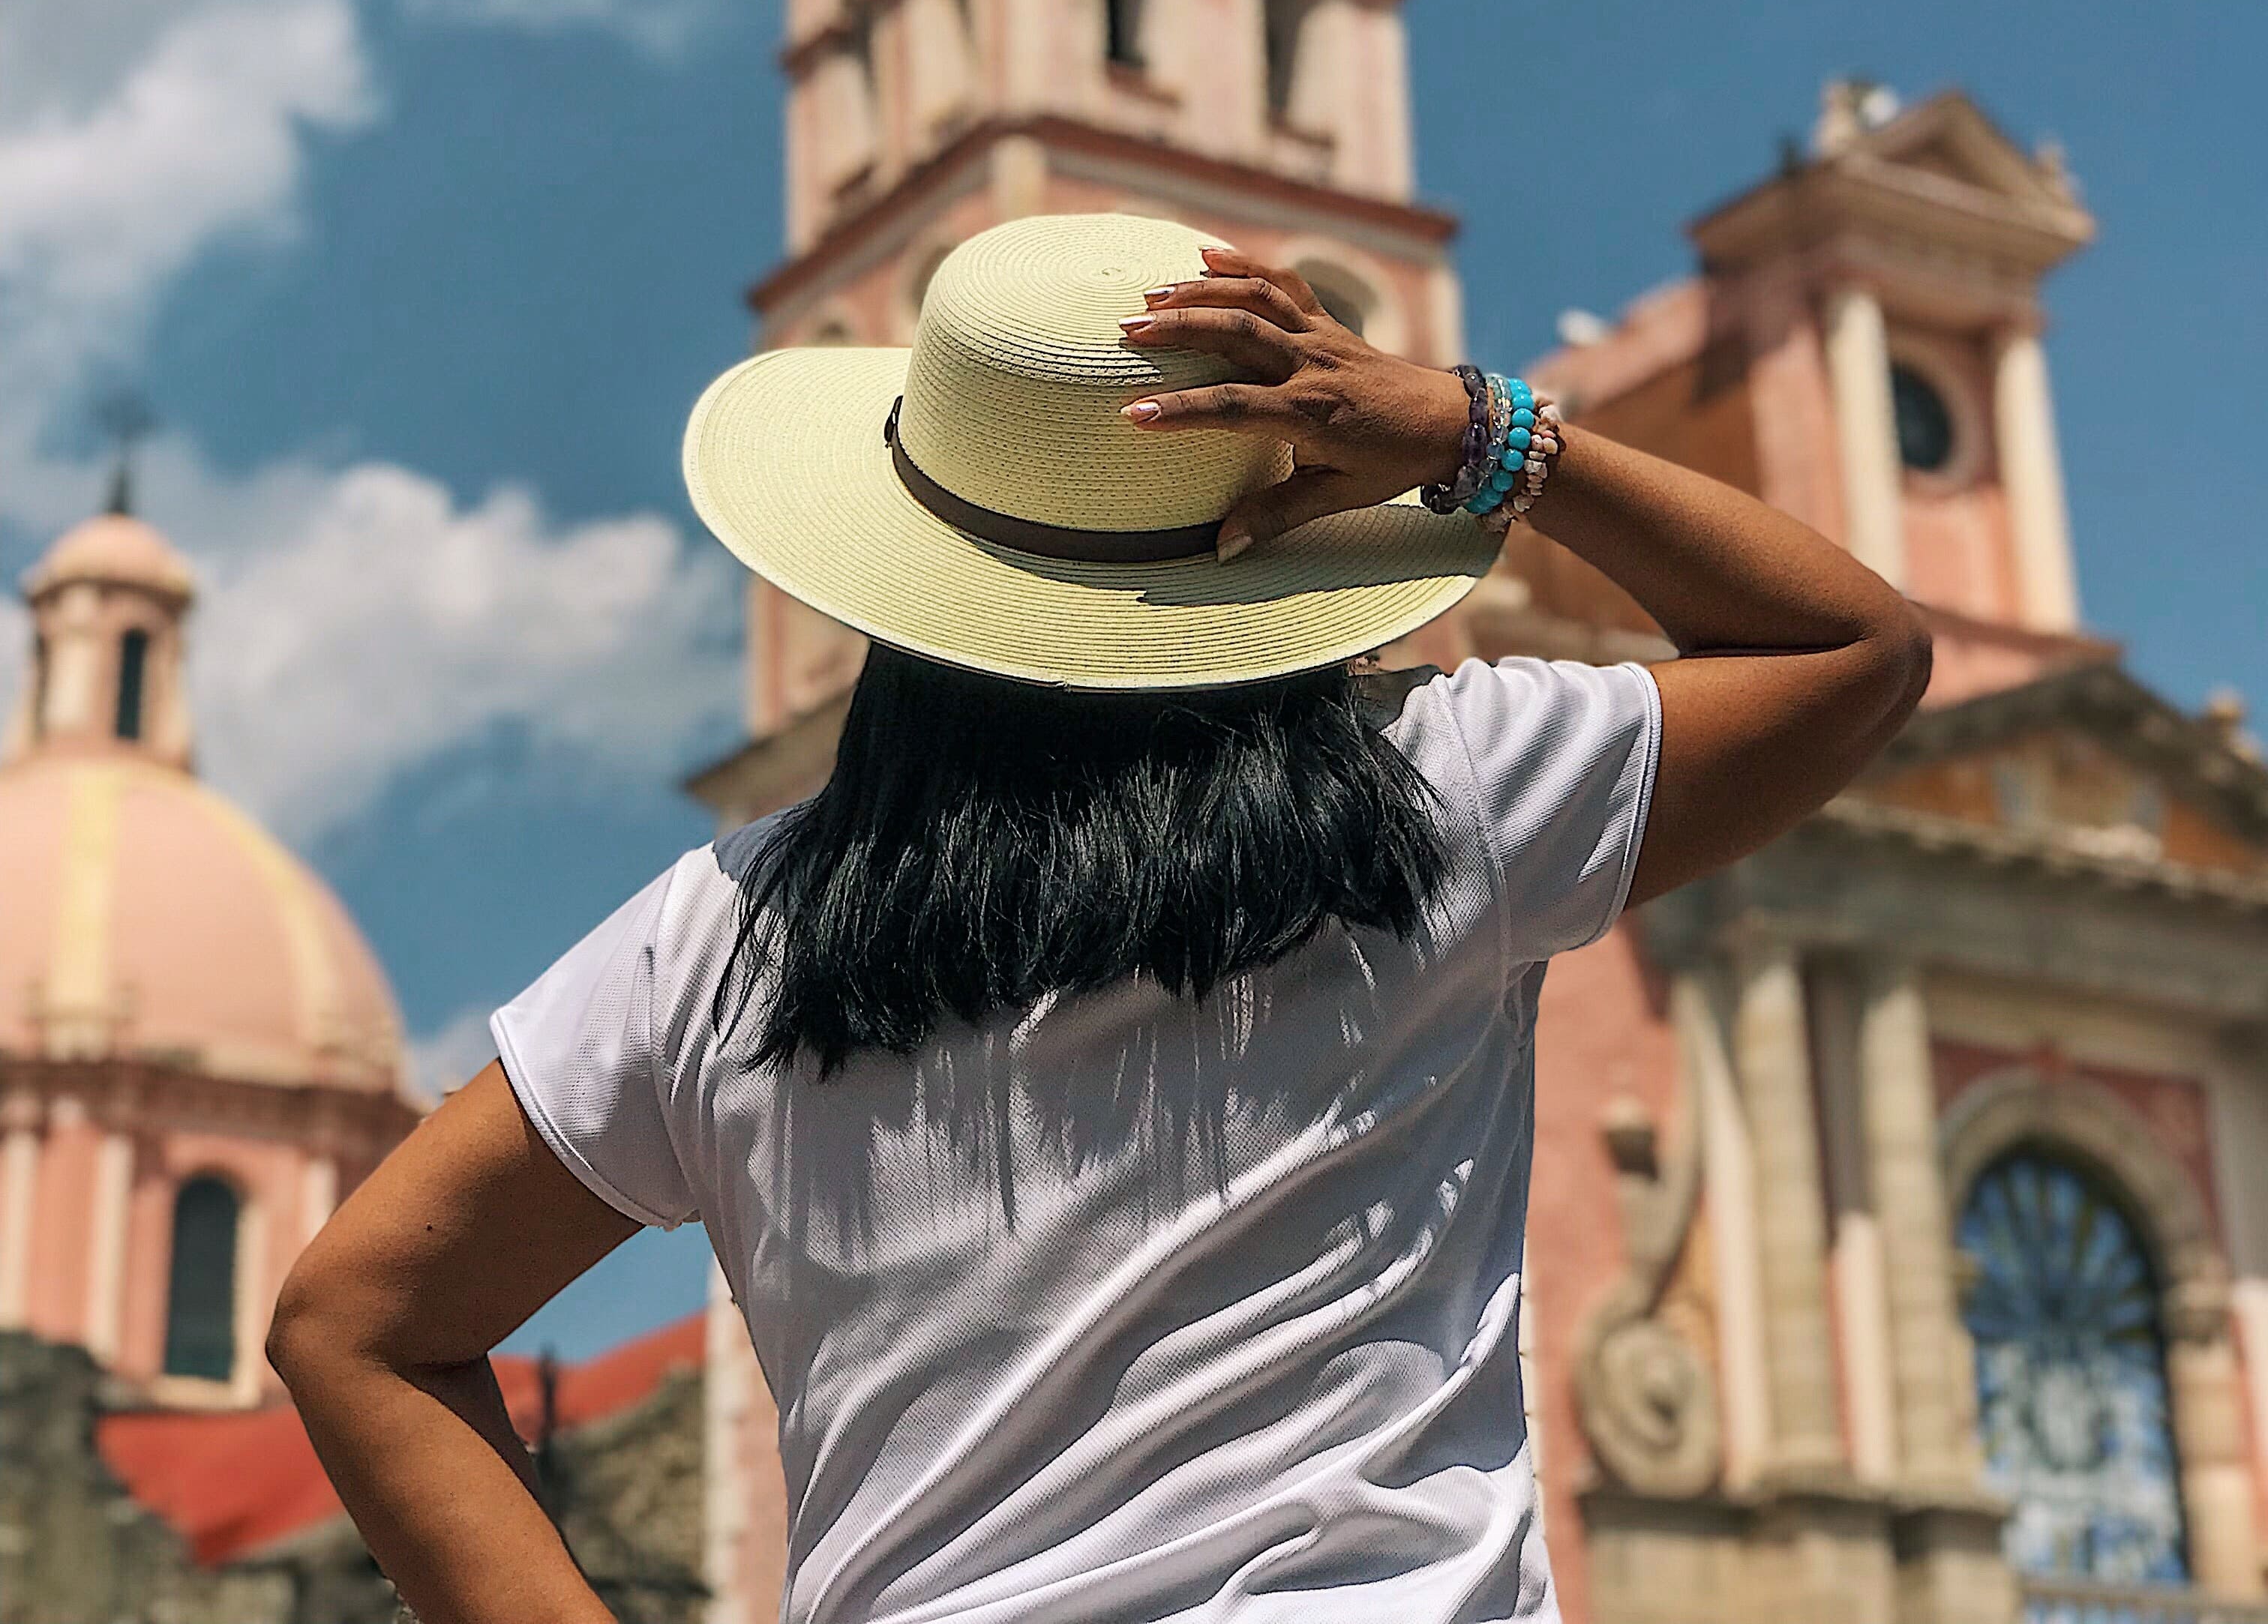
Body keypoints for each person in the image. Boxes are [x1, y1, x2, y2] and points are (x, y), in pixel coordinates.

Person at [268, 214, 1929, 1624]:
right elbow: (1855, 653)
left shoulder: (722, 938)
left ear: (906, 553)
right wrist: (1486, 434)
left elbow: (355, 1324)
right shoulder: (1448, 801)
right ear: (1277, 518)